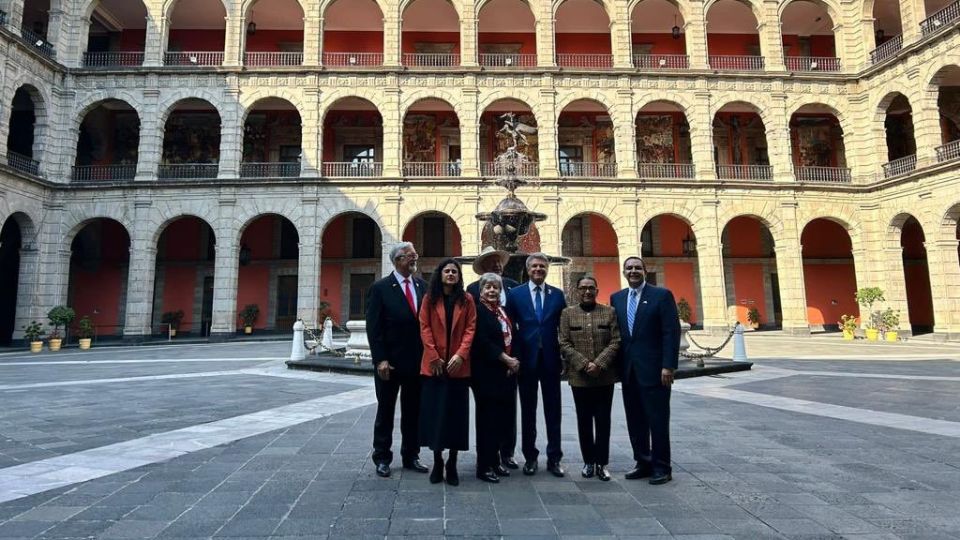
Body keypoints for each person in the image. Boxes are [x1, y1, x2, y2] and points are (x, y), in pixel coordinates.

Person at [610, 257, 681, 485]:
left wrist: (668, 365)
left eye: (637, 268)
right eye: (629, 268)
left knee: (658, 420)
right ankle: (642, 462)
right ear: (623, 272)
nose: (633, 271)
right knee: (635, 421)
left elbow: (671, 332)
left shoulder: (661, 296)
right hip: (629, 371)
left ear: (645, 270)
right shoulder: (617, 298)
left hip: (656, 371)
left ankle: (662, 467)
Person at [366, 242, 429, 478]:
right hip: (389, 363)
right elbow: (374, 327)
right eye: (410, 256)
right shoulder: (380, 288)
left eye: (415, 255)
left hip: (415, 361)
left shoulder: (422, 286)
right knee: (385, 411)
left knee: (413, 411)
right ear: (398, 260)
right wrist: (380, 359)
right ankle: (382, 457)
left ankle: (411, 455)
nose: (415, 258)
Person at [506, 252, 567, 477]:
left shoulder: (558, 295)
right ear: (528, 269)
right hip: (526, 361)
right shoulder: (515, 295)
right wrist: (511, 359)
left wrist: (565, 357)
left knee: (554, 411)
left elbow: (564, 328)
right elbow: (509, 328)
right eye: (535, 266)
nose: (538, 270)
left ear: (547, 269)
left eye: (542, 266)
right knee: (528, 411)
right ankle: (530, 457)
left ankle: (554, 458)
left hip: (551, 360)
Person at [418, 258, 476, 486]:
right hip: (435, 367)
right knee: (436, 416)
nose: (451, 274)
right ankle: (437, 461)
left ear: (459, 276)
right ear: (440, 274)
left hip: (458, 367)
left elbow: (471, 328)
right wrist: (433, 356)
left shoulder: (467, 299)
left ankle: (452, 462)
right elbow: (424, 326)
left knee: (456, 417)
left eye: (454, 271)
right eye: (447, 271)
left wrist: (461, 354)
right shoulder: (429, 299)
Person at [558, 276, 620, 482]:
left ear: (597, 290)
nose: (587, 292)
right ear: (576, 291)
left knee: (603, 421)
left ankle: (602, 463)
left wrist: (599, 364)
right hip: (580, 378)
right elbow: (564, 343)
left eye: (591, 288)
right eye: (583, 288)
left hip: (604, 377)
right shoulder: (567, 314)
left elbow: (616, 340)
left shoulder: (609, 312)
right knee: (583, 420)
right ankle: (588, 462)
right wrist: (585, 364)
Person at [466, 245, 520, 469]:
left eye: (499, 261)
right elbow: (477, 336)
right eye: (491, 261)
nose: (497, 264)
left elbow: (514, 329)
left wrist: (512, 359)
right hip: (488, 367)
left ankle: (504, 453)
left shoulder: (511, 290)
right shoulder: (473, 295)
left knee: (507, 411)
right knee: (488, 415)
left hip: (507, 367)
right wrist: (504, 358)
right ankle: (488, 459)